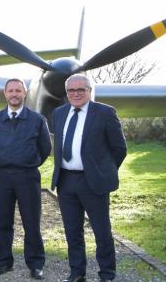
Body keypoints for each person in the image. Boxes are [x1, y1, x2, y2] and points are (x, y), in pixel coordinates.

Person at [51, 74, 126, 282]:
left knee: (102, 232)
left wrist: (103, 171)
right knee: (72, 231)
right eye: (71, 91)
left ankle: (107, 274)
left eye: (80, 90)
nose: (75, 94)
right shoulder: (59, 113)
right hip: (65, 181)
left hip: (93, 182)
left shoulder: (105, 113)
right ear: (66, 93)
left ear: (89, 91)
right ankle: (77, 272)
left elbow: (119, 148)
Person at [0, 78, 51, 280]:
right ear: (4, 94)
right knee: (2, 221)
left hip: (27, 176)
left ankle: (35, 264)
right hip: (2, 176)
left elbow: (45, 149)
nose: (14, 94)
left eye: (18, 90)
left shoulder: (37, 119)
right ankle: (4, 261)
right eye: (10, 91)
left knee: (31, 222)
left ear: (24, 94)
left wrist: (27, 162)